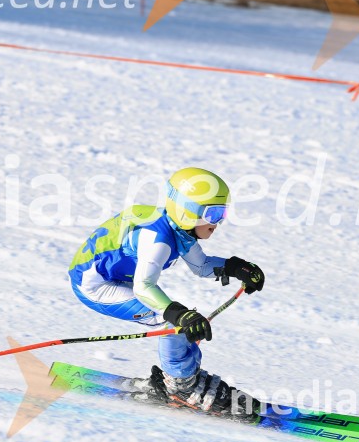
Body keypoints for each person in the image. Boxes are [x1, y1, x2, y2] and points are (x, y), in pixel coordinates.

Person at [68, 167, 265, 417]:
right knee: (172, 321)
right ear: (187, 212)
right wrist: (178, 314)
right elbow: (144, 287)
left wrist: (236, 267)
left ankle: (186, 377)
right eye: (213, 213)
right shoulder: (158, 239)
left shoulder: (177, 228)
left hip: (115, 278)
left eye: (223, 212)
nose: (218, 222)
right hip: (95, 286)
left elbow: (202, 266)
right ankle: (180, 387)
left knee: (180, 318)